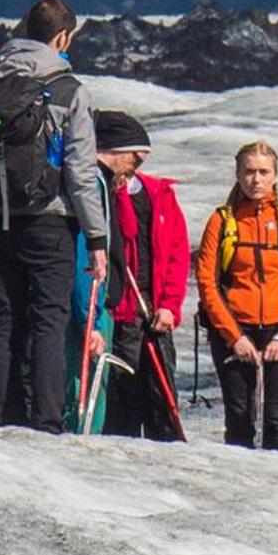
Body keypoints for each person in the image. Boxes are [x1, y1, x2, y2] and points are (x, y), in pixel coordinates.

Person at [0, 0, 109, 434]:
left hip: (1, 222)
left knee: (7, 318)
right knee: (50, 318)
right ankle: (46, 421)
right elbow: (81, 172)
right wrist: (98, 238)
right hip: (52, 220)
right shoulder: (70, 91)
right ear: (63, 37)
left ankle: (7, 418)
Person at [194, 141, 278, 451]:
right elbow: (207, 283)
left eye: (264, 172)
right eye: (249, 172)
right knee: (238, 419)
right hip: (234, 331)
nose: (256, 180)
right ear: (237, 174)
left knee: (276, 422)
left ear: (275, 176)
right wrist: (234, 336)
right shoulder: (222, 221)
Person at [91, 112, 190, 442]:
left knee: (161, 396)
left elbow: (177, 254)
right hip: (122, 312)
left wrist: (170, 305)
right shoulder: (103, 192)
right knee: (123, 398)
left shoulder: (159, 194)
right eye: (134, 157)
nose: (137, 165)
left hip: (154, 307)